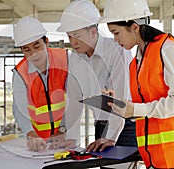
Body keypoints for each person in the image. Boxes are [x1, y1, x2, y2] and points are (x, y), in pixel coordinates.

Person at [100, 0, 174, 168]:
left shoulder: (166, 49)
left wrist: (137, 109)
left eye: (116, 32)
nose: (115, 39)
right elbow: (149, 103)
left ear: (134, 27)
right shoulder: (136, 63)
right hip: (156, 157)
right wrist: (123, 105)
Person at [57, 0, 135, 151]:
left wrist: (111, 136)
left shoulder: (117, 51)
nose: (73, 42)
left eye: (77, 36)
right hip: (101, 125)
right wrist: (70, 137)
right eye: (69, 36)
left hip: (126, 126)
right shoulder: (75, 58)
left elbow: (121, 99)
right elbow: (74, 100)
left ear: (93, 31)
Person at [12, 16, 85, 152]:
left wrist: (63, 129)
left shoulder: (66, 60)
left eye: (37, 46)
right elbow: (19, 108)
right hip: (39, 142)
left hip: (67, 135)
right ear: (22, 50)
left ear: (46, 42)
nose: (34, 54)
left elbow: (75, 99)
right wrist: (30, 134)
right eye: (27, 49)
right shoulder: (20, 73)